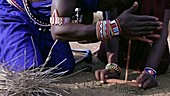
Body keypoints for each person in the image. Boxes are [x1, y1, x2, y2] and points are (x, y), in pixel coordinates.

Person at [0, 0, 162, 83]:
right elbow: (59, 31)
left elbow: (110, 15)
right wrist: (115, 27)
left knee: (63, 67)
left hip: (46, 22)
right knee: (28, 71)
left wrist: (113, 65)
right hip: (15, 14)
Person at [95, 0, 170, 89]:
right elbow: (110, 23)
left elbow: (162, 31)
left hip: (150, 54)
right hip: (118, 51)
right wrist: (112, 65)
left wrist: (150, 70)